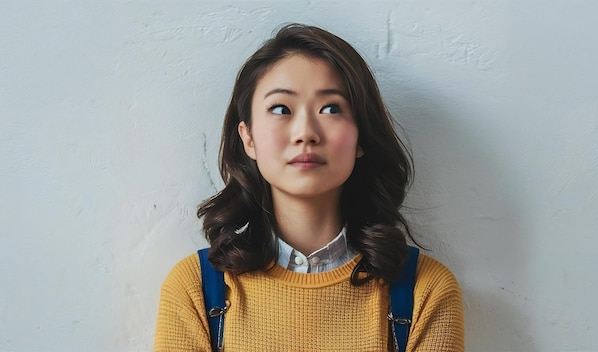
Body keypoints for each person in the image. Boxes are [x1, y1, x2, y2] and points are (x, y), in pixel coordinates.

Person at [154, 23, 464, 351]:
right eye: (281, 109)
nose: (306, 132)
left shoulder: (424, 291)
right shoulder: (196, 288)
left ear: (361, 136)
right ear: (248, 138)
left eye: (331, 108)